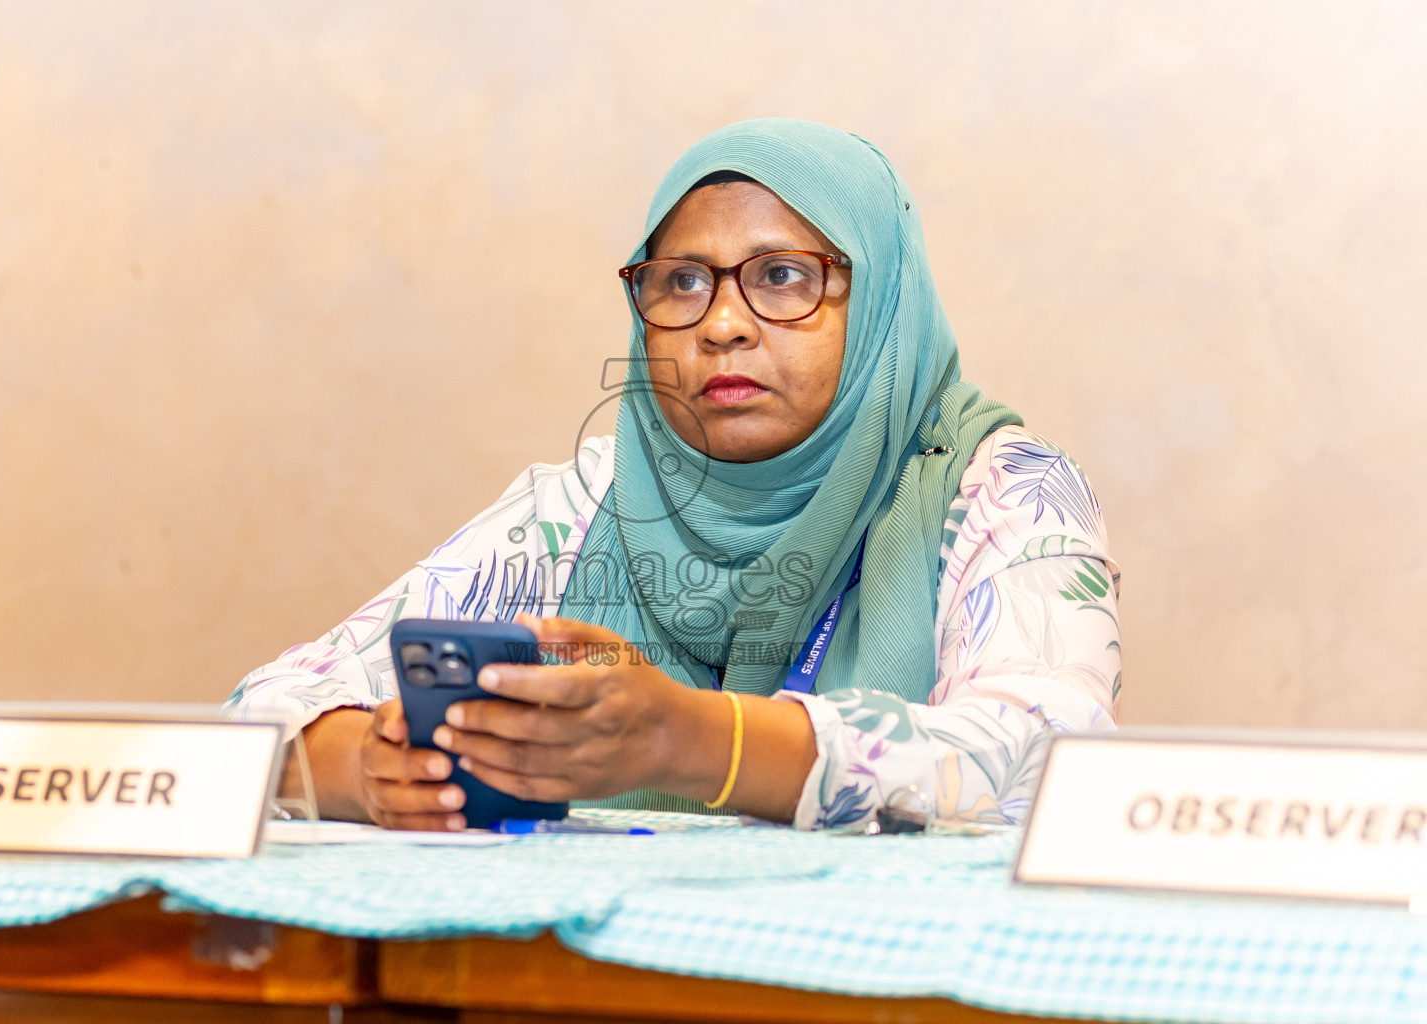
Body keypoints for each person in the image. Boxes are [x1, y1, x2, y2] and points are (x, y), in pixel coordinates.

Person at [224, 119, 1121, 832]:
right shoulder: (582, 505)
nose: (723, 323)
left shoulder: (1007, 490)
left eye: (781, 276)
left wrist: (689, 742)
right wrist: (364, 771)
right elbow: (260, 707)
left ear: (883, 295)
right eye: (682, 281)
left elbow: (1048, 758)